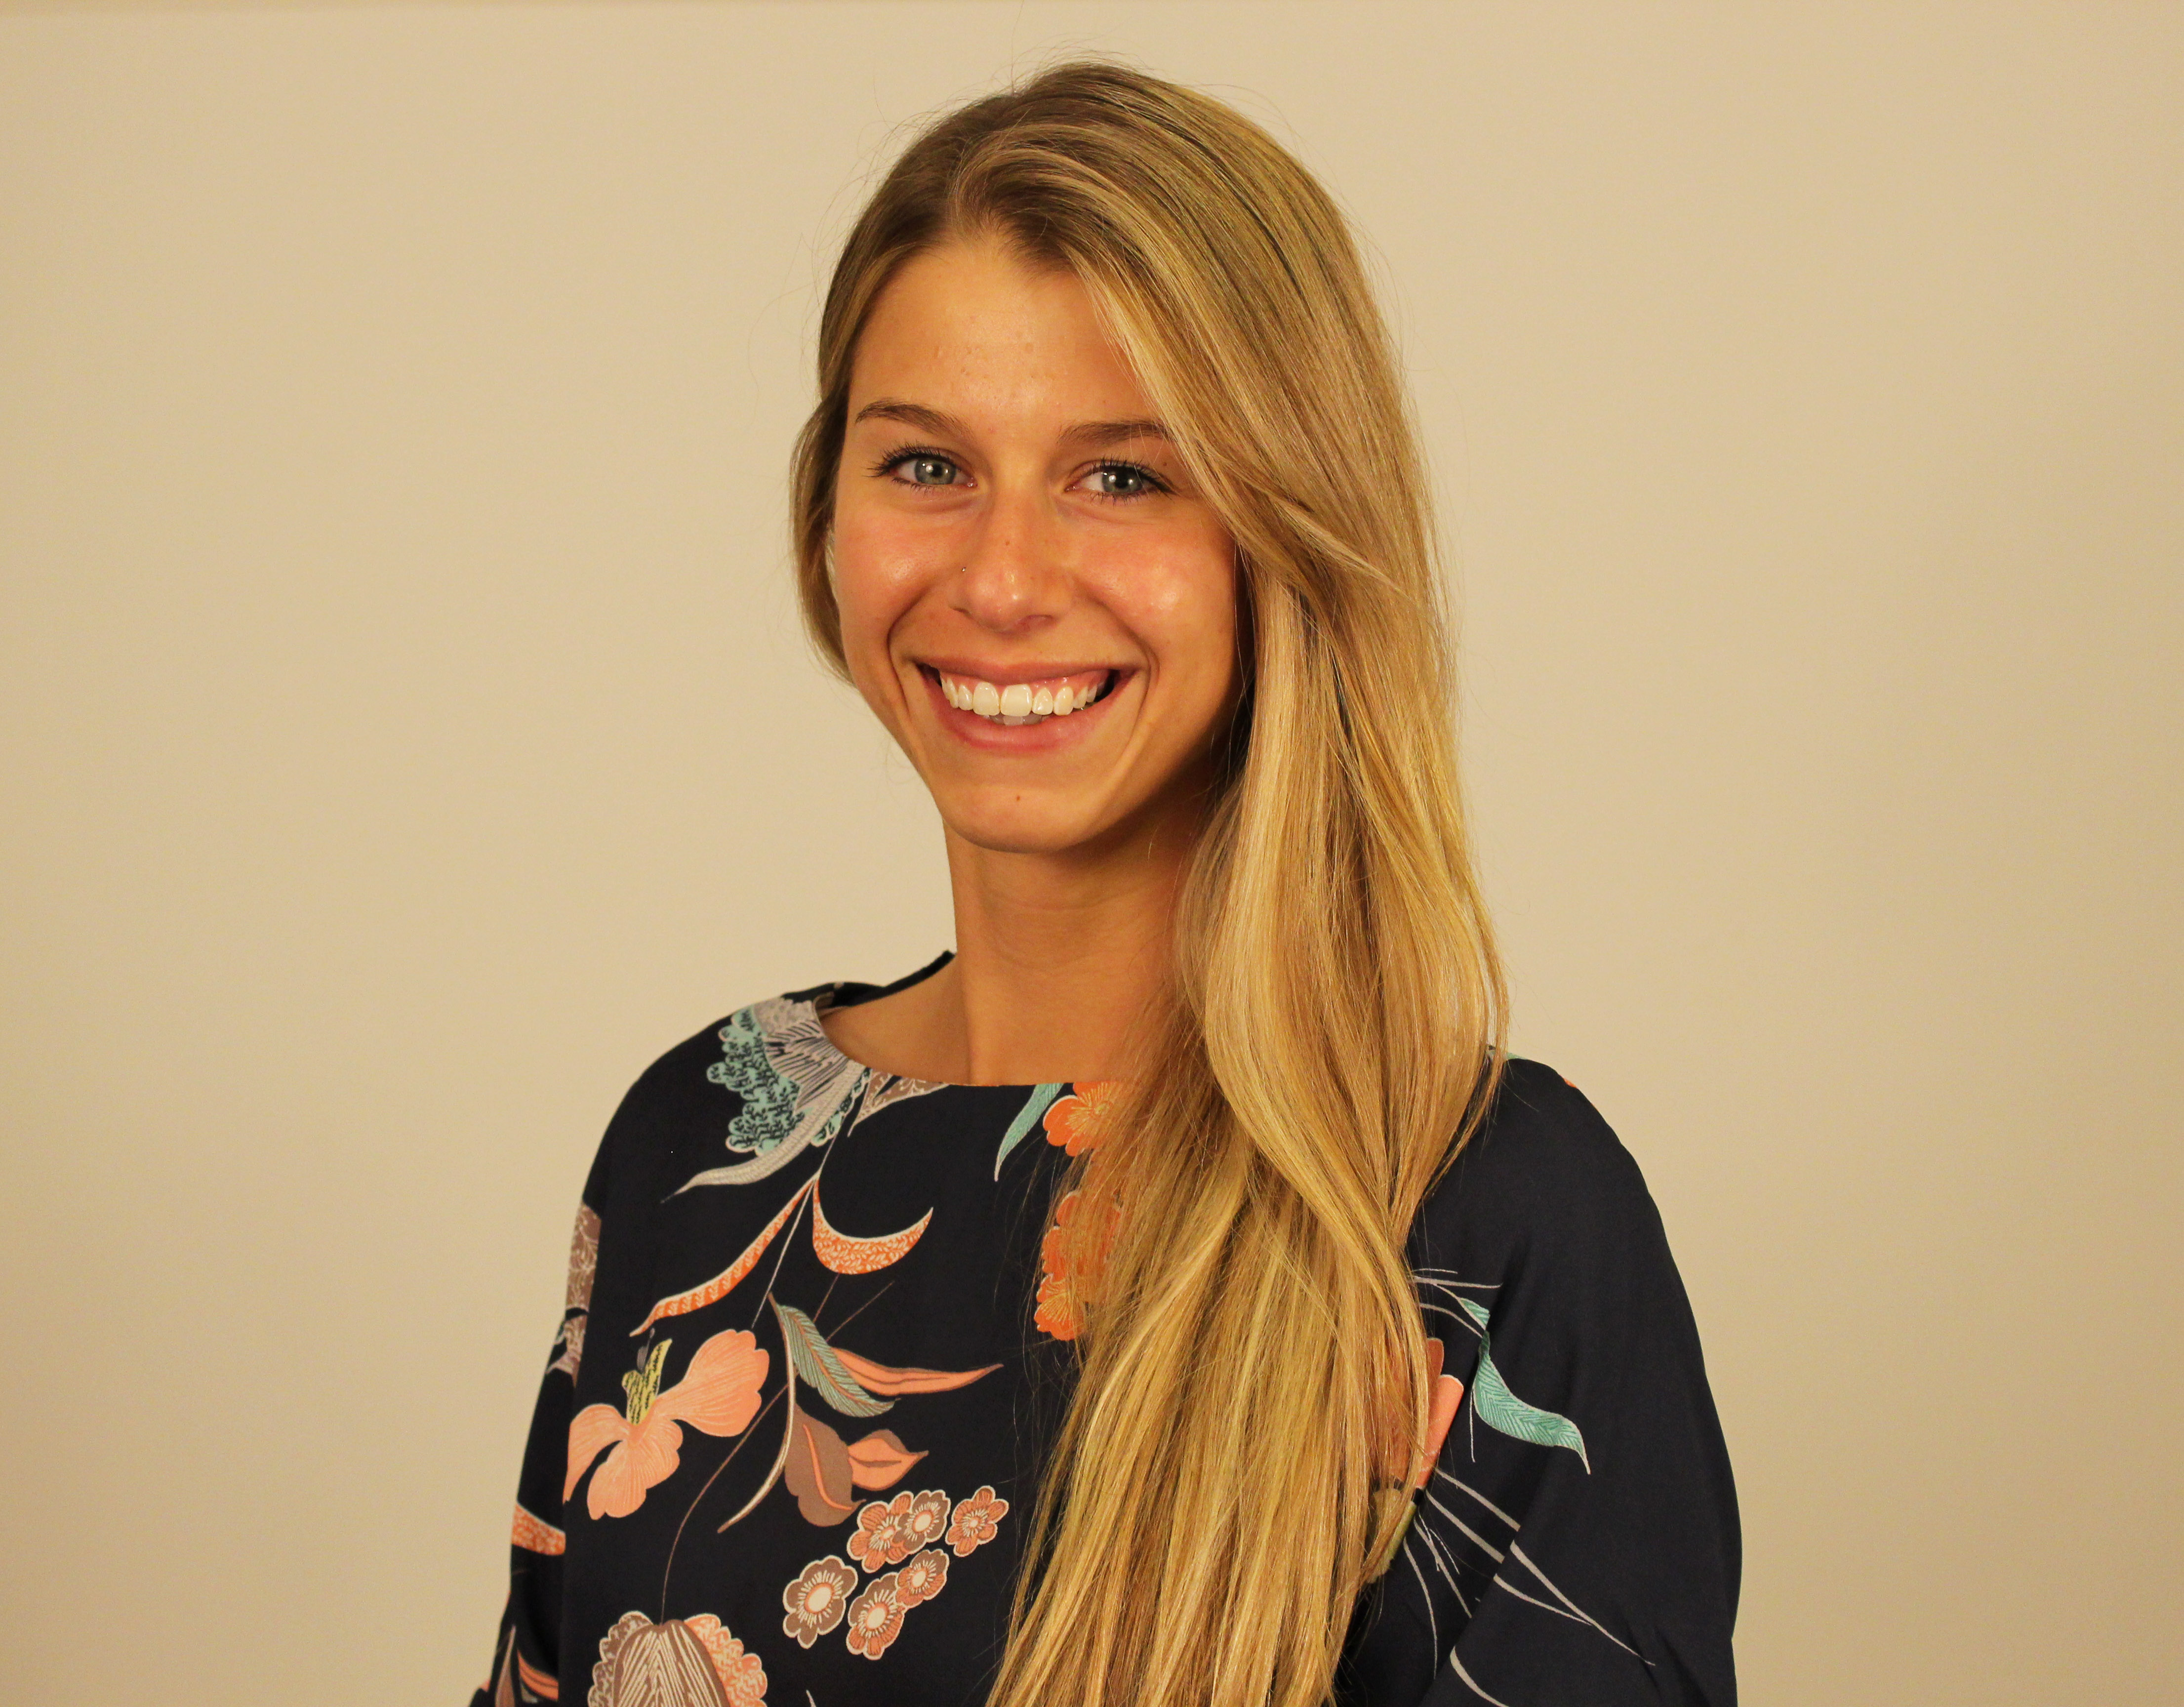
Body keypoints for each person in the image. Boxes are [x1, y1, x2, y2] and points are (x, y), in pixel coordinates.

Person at [470, 61, 1738, 1707]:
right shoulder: (700, 1140)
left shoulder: (1472, 1222)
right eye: (924, 465)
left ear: (1286, 534)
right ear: (826, 520)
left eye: (1123, 476)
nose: (1001, 580)